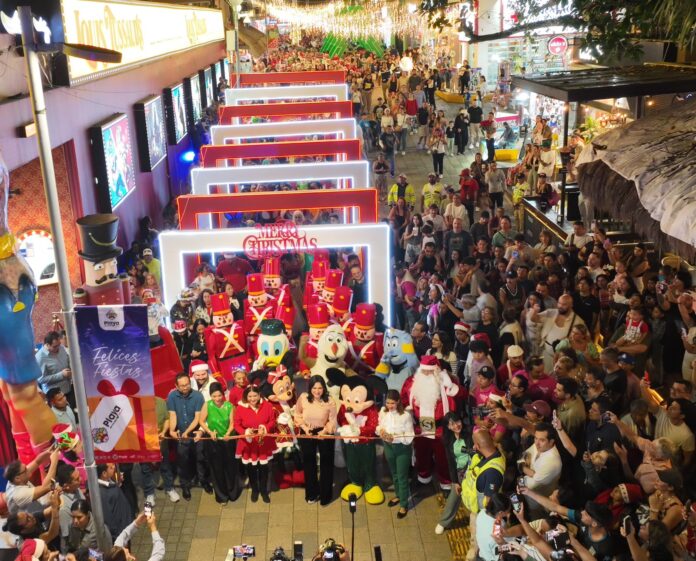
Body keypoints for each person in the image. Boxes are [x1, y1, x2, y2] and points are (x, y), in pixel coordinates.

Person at [294, 376, 338, 506]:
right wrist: (304, 428)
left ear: (324, 388)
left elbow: (333, 420)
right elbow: (297, 414)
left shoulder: (330, 401)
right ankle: (312, 494)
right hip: (307, 430)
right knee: (309, 463)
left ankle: (326, 496)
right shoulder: (303, 398)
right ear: (310, 388)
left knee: (326, 463)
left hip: (325, 431)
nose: (317, 391)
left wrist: (324, 431)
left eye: (320, 388)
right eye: (314, 388)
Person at [195, 382, 239, 505]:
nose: (217, 399)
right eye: (214, 396)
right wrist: (209, 432)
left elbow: (232, 423)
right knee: (216, 469)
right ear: (210, 396)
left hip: (227, 440)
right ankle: (222, 496)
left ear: (223, 394)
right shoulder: (207, 405)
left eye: (219, 395)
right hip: (213, 442)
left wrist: (229, 433)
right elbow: (201, 421)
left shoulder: (229, 406)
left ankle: (233, 492)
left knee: (230, 467)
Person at [167, 372, 207, 501]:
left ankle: (202, 480)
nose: (185, 388)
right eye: (182, 386)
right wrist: (172, 430)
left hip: (195, 433)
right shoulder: (172, 397)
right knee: (182, 461)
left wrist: (187, 431)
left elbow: (197, 418)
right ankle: (185, 485)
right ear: (176, 386)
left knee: (200, 458)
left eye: (187, 385)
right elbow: (173, 415)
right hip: (180, 435)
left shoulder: (197, 396)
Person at [234, 385, 277, 503]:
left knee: (264, 468)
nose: (253, 399)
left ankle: (263, 490)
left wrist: (265, 427)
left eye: (255, 396)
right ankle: (255, 490)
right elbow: (237, 425)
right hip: (248, 444)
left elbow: (272, 421)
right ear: (246, 397)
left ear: (259, 395)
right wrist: (245, 432)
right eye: (250, 396)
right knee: (251, 469)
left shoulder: (267, 406)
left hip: (263, 442)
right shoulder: (240, 408)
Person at [376, 390, 414, 518]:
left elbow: (410, 436)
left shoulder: (405, 416)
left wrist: (394, 438)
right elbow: (379, 426)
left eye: (392, 403)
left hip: (402, 448)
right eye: (387, 402)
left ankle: (404, 505)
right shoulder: (383, 412)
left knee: (402, 476)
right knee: (394, 474)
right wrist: (381, 431)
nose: (390, 405)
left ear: (398, 402)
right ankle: (399, 495)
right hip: (388, 447)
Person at [434, 412, 471, 533]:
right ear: (447, 427)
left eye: (457, 422)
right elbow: (451, 462)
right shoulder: (448, 440)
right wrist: (455, 481)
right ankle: (444, 522)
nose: (456, 426)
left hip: (472, 470)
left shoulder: (470, 434)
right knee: (454, 495)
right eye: (451, 424)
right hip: (460, 472)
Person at [4, 447, 61, 514]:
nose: (28, 469)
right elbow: (46, 486)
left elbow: (37, 462)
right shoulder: (19, 494)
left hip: (34, 506)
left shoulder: (15, 478)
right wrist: (54, 461)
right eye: (25, 470)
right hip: (28, 519)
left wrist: (47, 452)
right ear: (17, 478)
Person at [35, 331, 73, 408]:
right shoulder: (40, 357)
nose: (58, 348)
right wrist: (61, 375)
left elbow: (68, 360)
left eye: (59, 344)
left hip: (68, 388)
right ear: (47, 345)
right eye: (55, 346)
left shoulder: (61, 348)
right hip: (55, 397)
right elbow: (40, 379)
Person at [96, 464, 132, 543]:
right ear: (104, 473)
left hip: (125, 530)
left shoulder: (110, 483)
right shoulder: (101, 493)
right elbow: (108, 518)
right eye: (111, 468)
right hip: (119, 535)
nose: (114, 468)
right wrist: (118, 535)